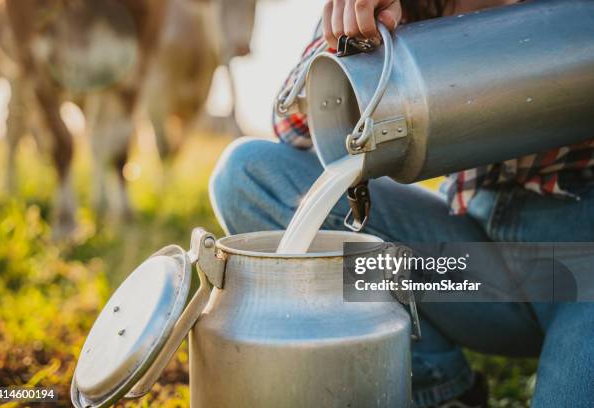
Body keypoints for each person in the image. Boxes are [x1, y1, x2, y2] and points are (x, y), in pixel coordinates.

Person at [210, 1, 594, 406]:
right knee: (249, 176)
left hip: (582, 261)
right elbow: (294, 125)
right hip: (471, 269)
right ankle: (439, 385)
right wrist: (361, 31)